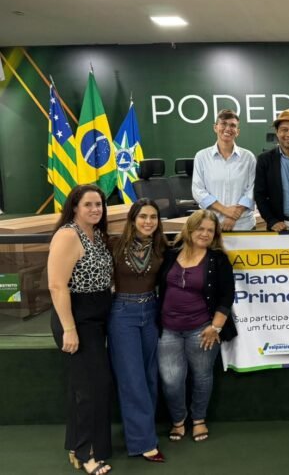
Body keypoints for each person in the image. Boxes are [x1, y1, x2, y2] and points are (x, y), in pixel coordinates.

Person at [47, 184, 114, 475]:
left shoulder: (96, 234)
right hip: (76, 319)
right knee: (90, 388)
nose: (95, 209)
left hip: (97, 319)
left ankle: (77, 446)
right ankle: (86, 452)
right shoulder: (67, 235)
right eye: (88, 204)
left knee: (87, 386)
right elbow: (57, 285)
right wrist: (69, 329)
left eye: (99, 204)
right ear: (74, 207)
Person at [157, 210, 237, 444]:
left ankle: (199, 419)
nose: (205, 234)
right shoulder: (171, 254)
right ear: (190, 230)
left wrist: (216, 328)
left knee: (202, 376)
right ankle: (178, 419)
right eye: (200, 229)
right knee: (171, 380)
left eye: (210, 230)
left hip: (202, 330)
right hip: (168, 329)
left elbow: (227, 295)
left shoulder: (218, 259)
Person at [108, 199, 168, 462]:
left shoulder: (162, 247)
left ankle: (143, 430)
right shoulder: (114, 245)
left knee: (150, 376)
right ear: (132, 219)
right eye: (143, 216)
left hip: (151, 311)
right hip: (123, 313)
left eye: (153, 217)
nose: (148, 222)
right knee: (132, 379)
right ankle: (144, 442)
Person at [192, 109, 256, 231]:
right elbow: (198, 190)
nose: (228, 128)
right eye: (223, 124)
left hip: (244, 225)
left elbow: (252, 189)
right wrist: (225, 210)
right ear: (215, 127)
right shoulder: (201, 157)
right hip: (211, 227)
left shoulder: (248, 157)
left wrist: (233, 216)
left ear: (237, 131)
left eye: (232, 125)